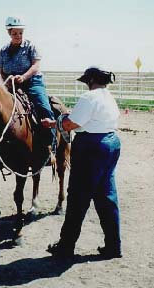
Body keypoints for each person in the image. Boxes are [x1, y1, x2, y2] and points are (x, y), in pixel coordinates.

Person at [42, 67, 122, 259]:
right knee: (107, 196)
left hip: (91, 147)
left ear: (91, 80)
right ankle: (113, 246)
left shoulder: (89, 97)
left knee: (78, 196)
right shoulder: (108, 97)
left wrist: (54, 123)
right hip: (111, 143)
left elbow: (71, 125)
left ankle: (66, 246)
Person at [0, 16, 56, 151]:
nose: (18, 36)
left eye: (20, 33)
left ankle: (51, 145)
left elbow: (35, 66)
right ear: (9, 33)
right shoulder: (4, 50)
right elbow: (1, 70)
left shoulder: (30, 46)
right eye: (15, 33)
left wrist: (23, 77)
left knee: (43, 106)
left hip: (32, 82)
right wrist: (7, 81)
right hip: (11, 84)